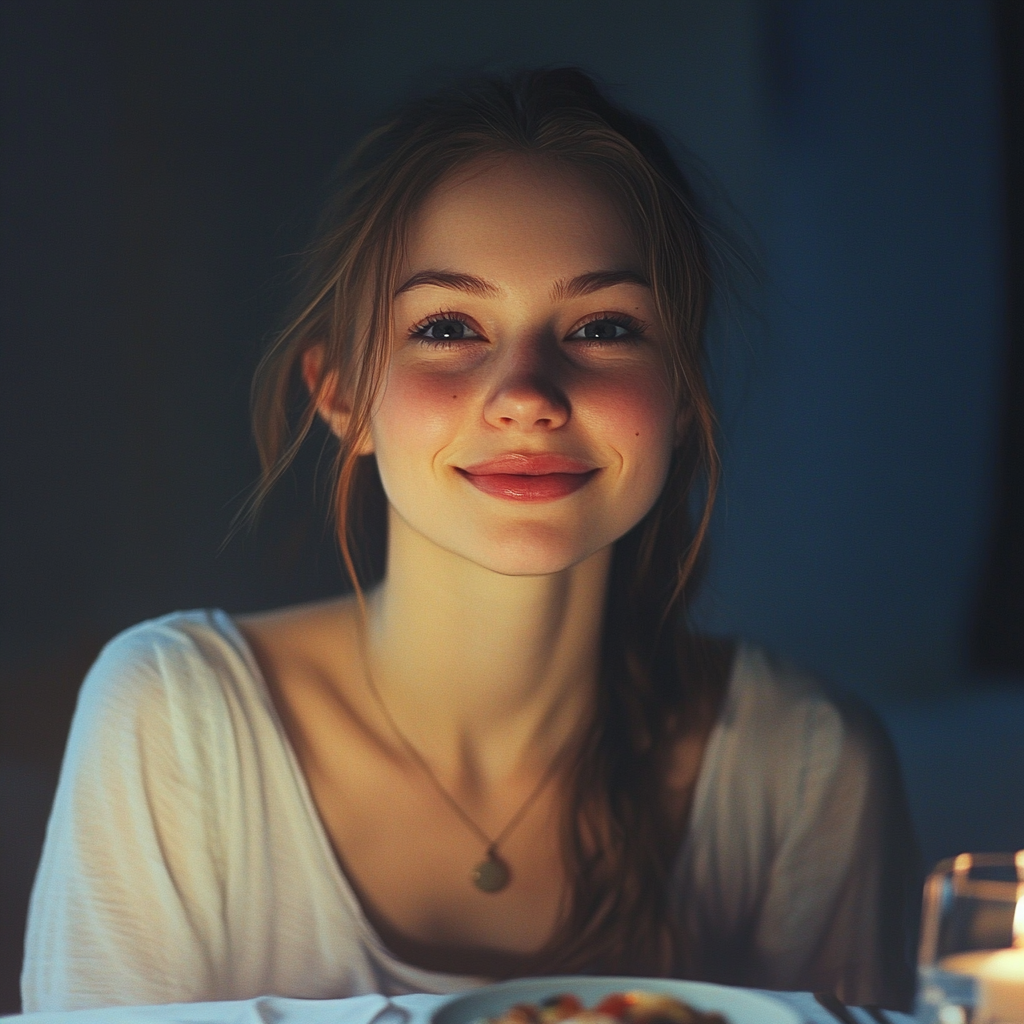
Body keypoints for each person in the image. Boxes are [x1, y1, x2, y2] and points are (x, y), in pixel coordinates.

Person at [21, 68, 918, 1012]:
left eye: (603, 326)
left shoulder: (808, 768)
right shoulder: (175, 725)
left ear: (682, 399)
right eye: (449, 327)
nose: (527, 392)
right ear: (339, 395)